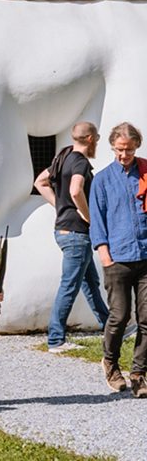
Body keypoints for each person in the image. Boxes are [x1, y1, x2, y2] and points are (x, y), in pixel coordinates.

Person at [33, 122, 110, 352]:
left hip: (65, 230)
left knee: (90, 283)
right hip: (77, 233)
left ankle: (111, 328)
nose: (96, 142)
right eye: (96, 138)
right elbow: (76, 190)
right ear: (90, 139)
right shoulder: (80, 162)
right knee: (69, 286)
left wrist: (61, 206)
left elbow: (40, 181)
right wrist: (89, 218)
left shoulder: (63, 156)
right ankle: (56, 339)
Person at [90, 122, 147, 397]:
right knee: (119, 316)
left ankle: (138, 373)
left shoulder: (146, 173)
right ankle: (110, 363)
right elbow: (96, 218)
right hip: (117, 257)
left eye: (129, 149)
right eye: (120, 149)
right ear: (112, 147)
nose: (124, 154)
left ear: (137, 146)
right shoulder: (102, 179)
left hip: (145, 255)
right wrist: (103, 252)